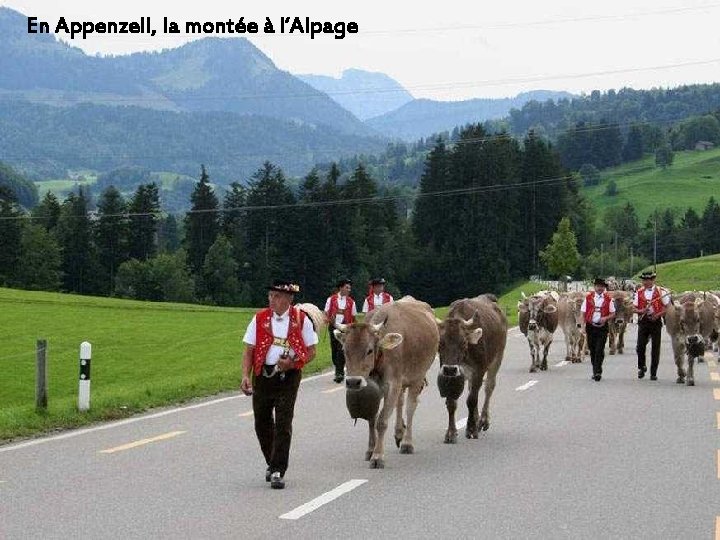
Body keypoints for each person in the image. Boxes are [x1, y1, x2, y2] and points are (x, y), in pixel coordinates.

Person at [240, 279, 318, 490]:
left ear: (288, 299)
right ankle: (271, 461)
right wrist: (245, 376)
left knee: (283, 423)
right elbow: (249, 349)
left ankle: (277, 470)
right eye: (270, 296)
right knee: (261, 422)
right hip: (263, 376)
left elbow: (311, 351)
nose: (271, 300)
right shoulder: (259, 319)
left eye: (276, 297)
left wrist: (292, 363)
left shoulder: (301, 320)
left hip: (288, 378)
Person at [633, 270, 670, 381]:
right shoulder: (639, 292)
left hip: (656, 322)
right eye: (644, 280)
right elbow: (633, 308)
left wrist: (658, 315)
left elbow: (667, 307)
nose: (646, 282)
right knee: (640, 346)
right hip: (643, 321)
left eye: (648, 280)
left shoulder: (661, 292)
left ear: (653, 280)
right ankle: (642, 366)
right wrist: (641, 310)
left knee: (655, 348)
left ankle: (653, 372)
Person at [581, 277, 616, 381]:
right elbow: (583, 313)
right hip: (590, 326)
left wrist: (605, 318)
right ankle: (595, 369)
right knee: (592, 349)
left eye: (602, 287)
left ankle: (598, 372)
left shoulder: (608, 299)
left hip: (602, 327)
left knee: (599, 349)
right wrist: (583, 327)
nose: (600, 288)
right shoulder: (588, 298)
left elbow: (613, 313)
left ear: (604, 288)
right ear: (595, 287)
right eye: (598, 286)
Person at [324, 278, 357, 383]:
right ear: (341, 288)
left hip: (345, 329)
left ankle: (339, 373)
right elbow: (326, 312)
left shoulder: (351, 302)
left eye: (349, 288)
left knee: (340, 350)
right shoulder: (331, 299)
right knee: (334, 350)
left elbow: (354, 316)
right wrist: (329, 320)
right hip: (333, 327)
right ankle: (338, 367)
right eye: (347, 287)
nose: (349, 290)